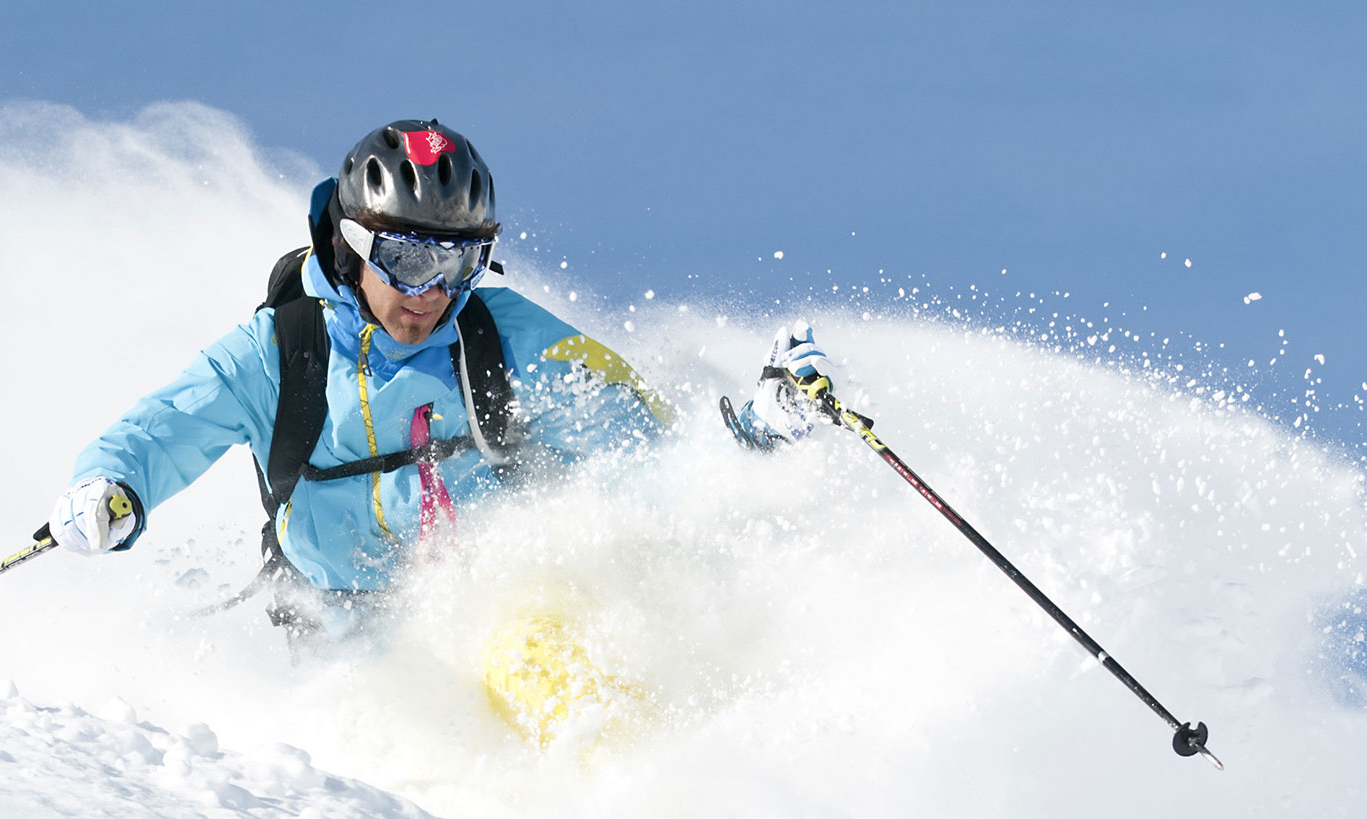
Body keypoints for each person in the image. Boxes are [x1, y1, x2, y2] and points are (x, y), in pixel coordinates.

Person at [50, 117, 832, 638]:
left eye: (456, 262)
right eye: (407, 259)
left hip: (495, 606)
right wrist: (110, 486)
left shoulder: (503, 339)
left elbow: (638, 461)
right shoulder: (285, 350)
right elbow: (169, 425)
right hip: (335, 630)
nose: (428, 292)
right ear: (354, 247)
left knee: (541, 654)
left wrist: (754, 438)